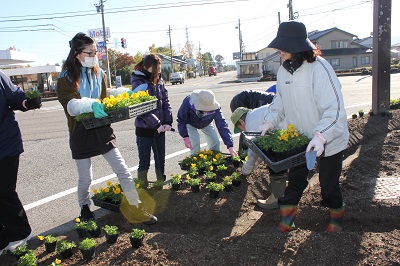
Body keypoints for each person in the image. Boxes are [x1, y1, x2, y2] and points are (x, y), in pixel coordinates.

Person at [57, 32, 157, 225]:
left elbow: (105, 95)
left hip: (102, 127)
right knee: (85, 177)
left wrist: (127, 93)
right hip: (80, 131)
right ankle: (85, 207)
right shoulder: (66, 77)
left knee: (122, 169)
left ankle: (136, 206)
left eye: (96, 51)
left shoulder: (99, 73)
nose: (95, 56)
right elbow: (70, 105)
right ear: (77, 53)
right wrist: (90, 105)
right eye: (90, 52)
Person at [259, 21, 349, 232]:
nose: (279, 51)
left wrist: (321, 136)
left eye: (282, 47)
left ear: (296, 47)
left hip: (328, 139)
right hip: (301, 139)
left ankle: (336, 219)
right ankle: (287, 221)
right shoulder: (283, 71)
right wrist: (268, 122)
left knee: (329, 186)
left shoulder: (320, 69)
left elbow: (334, 110)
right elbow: (279, 103)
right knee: (296, 181)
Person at [0, 70, 42, 254]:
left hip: (5, 143)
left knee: (4, 191)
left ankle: (20, 233)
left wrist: (27, 101)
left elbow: (15, 96)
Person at [231, 106, 287, 209]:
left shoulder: (251, 123)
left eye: (240, 127)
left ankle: (276, 198)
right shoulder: (256, 114)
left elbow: (253, 153)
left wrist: (245, 171)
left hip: (284, 134)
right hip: (289, 130)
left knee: (275, 162)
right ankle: (283, 187)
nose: (242, 130)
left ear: (241, 122)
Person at [131, 54, 173, 188]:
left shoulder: (159, 80)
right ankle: (142, 187)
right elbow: (141, 108)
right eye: (155, 69)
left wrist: (167, 121)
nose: (158, 71)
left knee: (160, 160)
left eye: (159, 68)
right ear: (145, 67)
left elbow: (165, 102)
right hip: (144, 129)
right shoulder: (139, 81)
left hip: (160, 128)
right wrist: (156, 124)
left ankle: (160, 185)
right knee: (144, 162)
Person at [177, 89, 237, 156]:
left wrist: (230, 146)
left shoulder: (216, 108)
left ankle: (214, 159)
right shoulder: (188, 103)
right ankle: (195, 162)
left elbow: (222, 125)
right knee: (195, 143)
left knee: (215, 142)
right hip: (190, 122)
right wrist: (185, 137)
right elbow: (181, 119)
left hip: (206, 122)